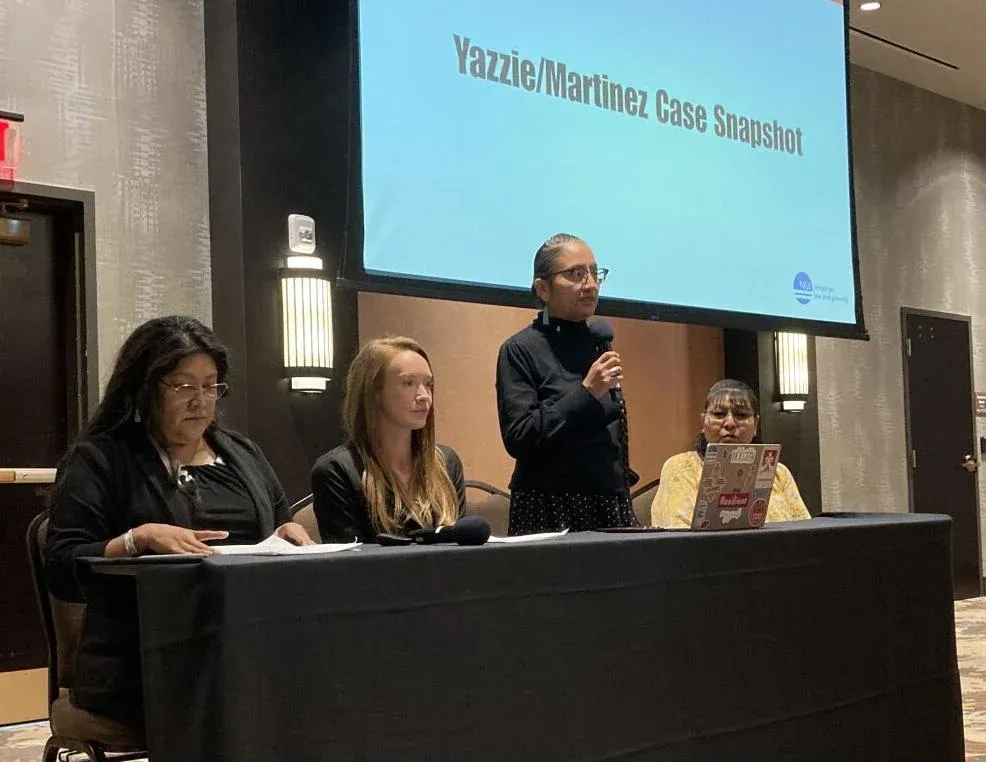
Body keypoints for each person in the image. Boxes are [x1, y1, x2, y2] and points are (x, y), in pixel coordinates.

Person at [44, 315, 311, 728]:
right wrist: (137, 539)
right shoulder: (100, 460)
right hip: (144, 657)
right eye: (184, 386)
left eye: (211, 386)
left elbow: (276, 524)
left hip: (244, 642)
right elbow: (62, 565)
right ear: (145, 388)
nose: (201, 400)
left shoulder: (243, 454)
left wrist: (286, 533)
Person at [496, 233, 638, 534]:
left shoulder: (599, 342)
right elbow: (519, 437)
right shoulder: (520, 350)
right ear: (543, 289)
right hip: (548, 504)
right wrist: (586, 392)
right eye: (576, 274)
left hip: (610, 503)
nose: (590, 284)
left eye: (594, 272)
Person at [311, 336, 466, 542]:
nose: (424, 396)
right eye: (408, 383)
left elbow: (462, 553)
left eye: (428, 384)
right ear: (374, 393)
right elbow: (347, 567)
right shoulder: (336, 470)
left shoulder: (446, 462)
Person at [650, 378, 810, 527]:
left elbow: (804, 530)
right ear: (703, 422)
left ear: (755, 425)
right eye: (719, 414)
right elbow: (675, 534)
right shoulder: (680, 467)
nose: (730, 423)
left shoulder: (778, 472)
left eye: (741, 415)